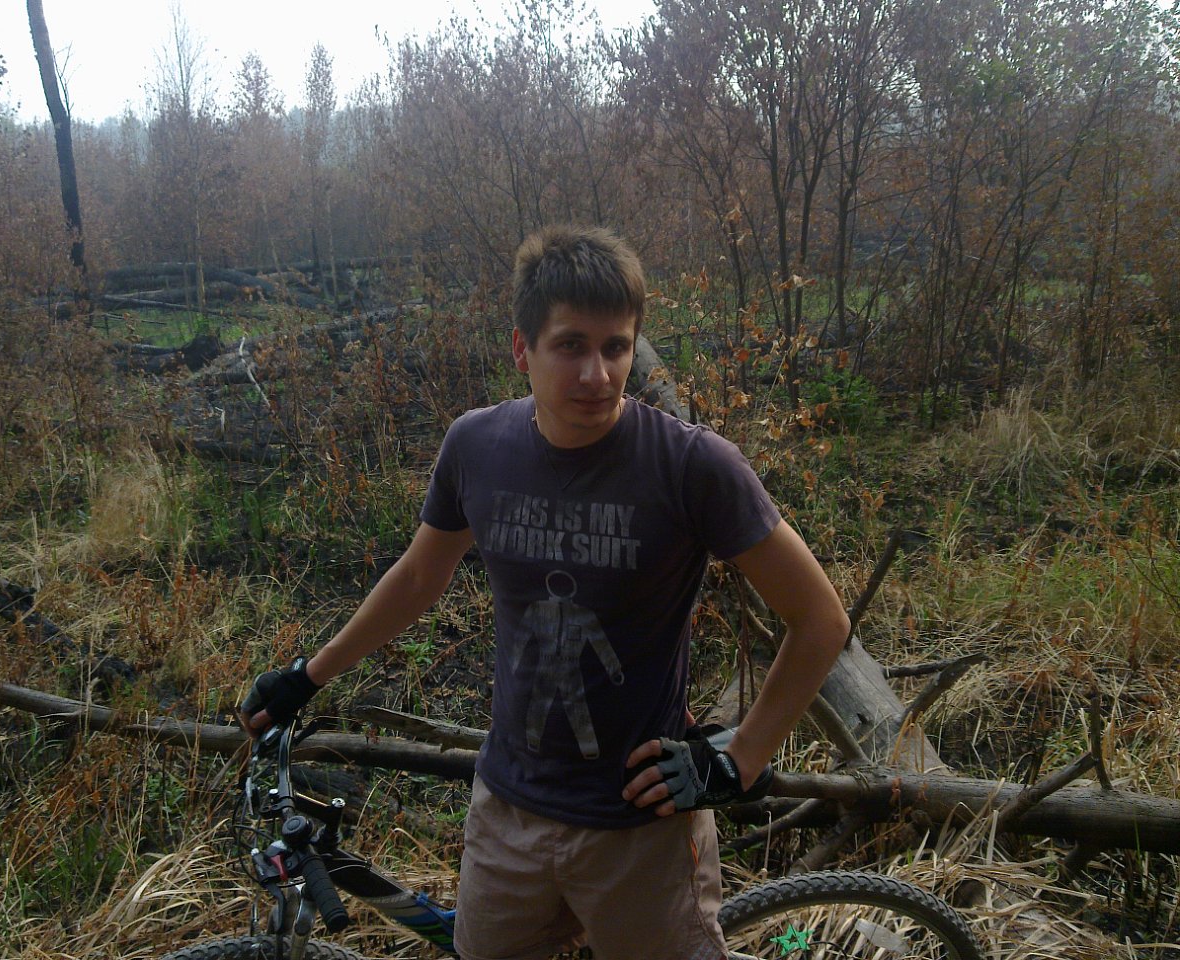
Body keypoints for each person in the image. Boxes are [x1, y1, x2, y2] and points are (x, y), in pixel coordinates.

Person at [241, 225, 851, 960]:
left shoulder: (692, 467)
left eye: (616, 347)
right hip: (508, 815)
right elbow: (418, 579)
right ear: (522, 350)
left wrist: (741, 757)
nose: (597, 373)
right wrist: (308, 677)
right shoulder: (477, 447)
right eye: (571, 346)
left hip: (641, 829)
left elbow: (819, 618)